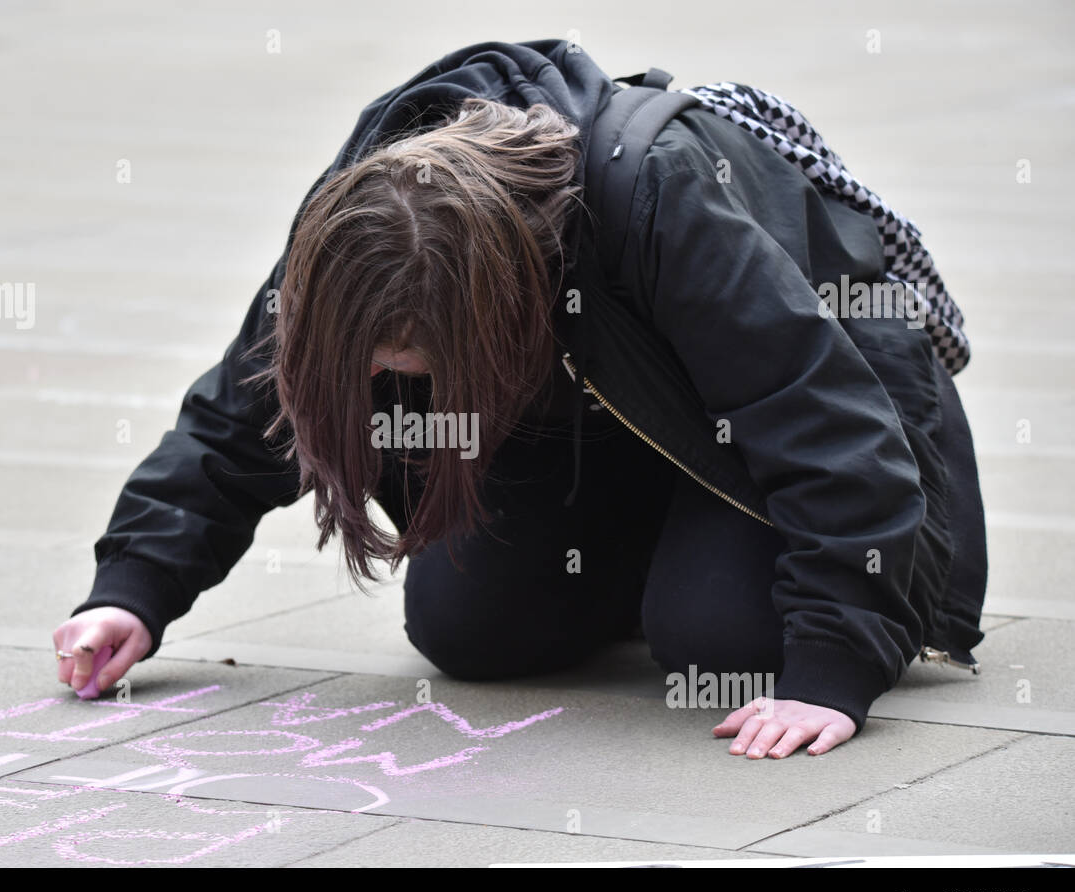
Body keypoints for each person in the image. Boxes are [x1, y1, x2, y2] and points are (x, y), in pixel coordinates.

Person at [54, 39, 988, 759]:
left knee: (719, 637)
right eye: (376, 366)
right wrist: (134, 587)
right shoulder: (361, 227)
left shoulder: (656, 196)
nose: (392, 385)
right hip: (607, 425)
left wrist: (832, 670)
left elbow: (825, 416)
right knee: (469, 630)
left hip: (769, 433)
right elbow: (244, 406)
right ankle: (661, 557)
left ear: (504, 302)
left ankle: (700, 572)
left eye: (416, 362)